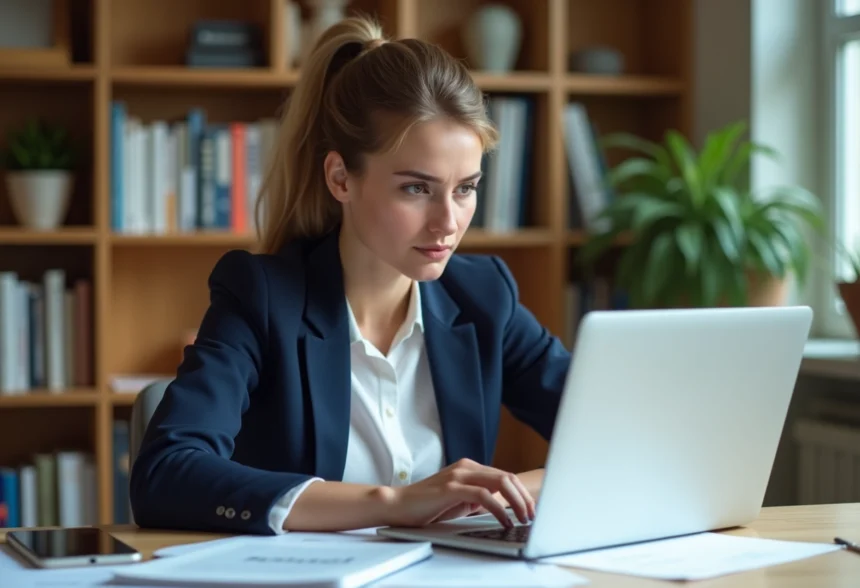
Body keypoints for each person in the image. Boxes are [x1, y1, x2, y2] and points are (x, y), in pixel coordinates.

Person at [129, 15, 571, 536]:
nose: (448, 222)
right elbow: (165, 474)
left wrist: (506, 492)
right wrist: (393, 503)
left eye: (465, 188)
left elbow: (628, 436)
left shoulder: (483, 296)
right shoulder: (262, 296)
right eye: (416, 188)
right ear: (341, 178)